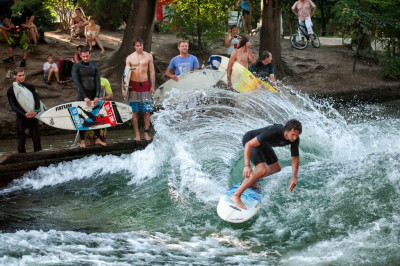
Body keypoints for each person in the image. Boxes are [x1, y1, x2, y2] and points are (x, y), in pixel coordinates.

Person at [230, 119, 302, 209]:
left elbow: (295, 158)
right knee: (262, 170)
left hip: (264, 144)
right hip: (251, 140)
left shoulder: (294, 139)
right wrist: (247, 166)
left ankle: (252, 181)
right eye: (293, 134)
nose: (295, 137)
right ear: (286, 131)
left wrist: (294, 177)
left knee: (276, 168)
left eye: (297, 135)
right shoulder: (275, 131)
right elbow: (249, 144)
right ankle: (236, 195)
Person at [71, 45, 106, 148]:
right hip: (83, 96)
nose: (85, 58)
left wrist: (96, 96)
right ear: (80, 56)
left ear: (90, 54)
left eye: (87, 56)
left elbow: (97, 82)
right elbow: (77, 83)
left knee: (96, 115)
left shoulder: (94, 66)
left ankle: (98, 138)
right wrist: (85, 97)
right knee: (82, 117)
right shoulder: (76, 67)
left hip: (93, 96)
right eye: (83, 56)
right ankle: (82, 141)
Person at [124, 37, 155, 142]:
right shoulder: (130, 58)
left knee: (147, 110)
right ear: (134, 46)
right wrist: (124, 88)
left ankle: (146, 132)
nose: (139, 47)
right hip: (133, 85)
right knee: (134, 111)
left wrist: (152, 86)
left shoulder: (148, 56)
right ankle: (137, 133)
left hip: (145, 84)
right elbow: (125, 74)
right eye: (137, 45)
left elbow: (151, 72)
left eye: (141, 45)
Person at [7, 68, 42, 153]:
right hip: (21, 117)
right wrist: (24, 114)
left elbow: (37, 101)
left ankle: (39, 159)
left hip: (33, 116)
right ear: (15, 76)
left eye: (23, 75)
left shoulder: (30, 87)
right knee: (22, 138)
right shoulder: (11, 90)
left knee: (36, 139)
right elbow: (13, 106)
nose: (22, 77)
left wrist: (36, 111)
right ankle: (21, 158)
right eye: (20, 75)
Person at [86, 77, 113, 145]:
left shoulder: (104, 81)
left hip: (101, 111)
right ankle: (93, 153)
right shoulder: (87, 80)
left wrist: (102, 98)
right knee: (91, 137)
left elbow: (110, 96)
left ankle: (104, 154)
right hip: (90, 110)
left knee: (103, 135)